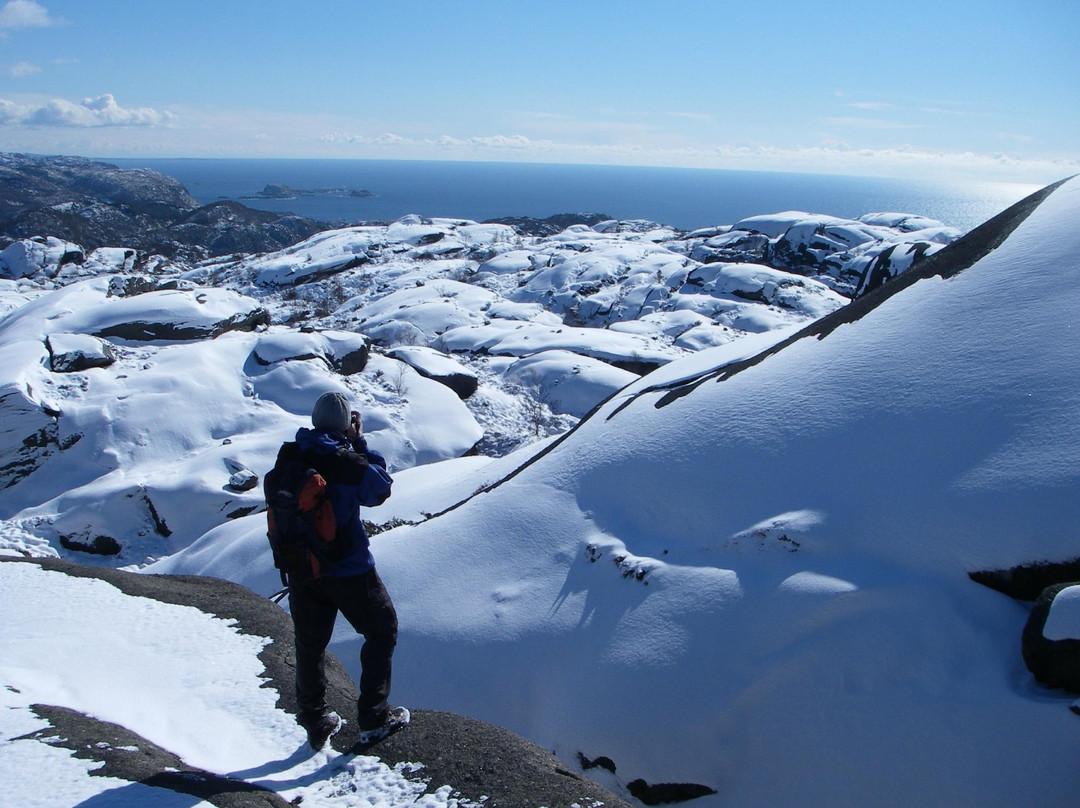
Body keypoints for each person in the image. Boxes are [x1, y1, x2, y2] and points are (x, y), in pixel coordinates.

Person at [284, 390, 407, 750]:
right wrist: (360, 443)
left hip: (302, 568)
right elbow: (380, 487)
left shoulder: (292, 453)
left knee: (310, 644)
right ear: (345, 425)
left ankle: (314, 720)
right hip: (348, 568)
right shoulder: (345, 461)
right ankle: (373, 718)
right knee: (382, 631)